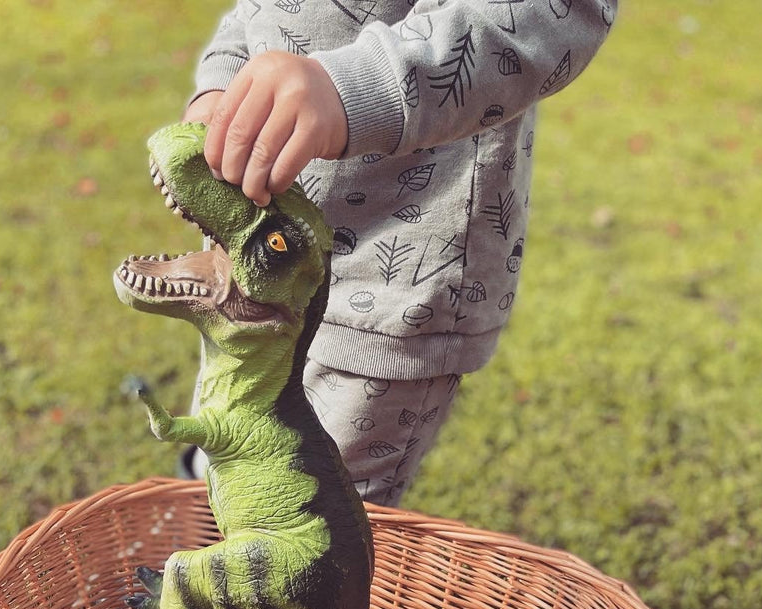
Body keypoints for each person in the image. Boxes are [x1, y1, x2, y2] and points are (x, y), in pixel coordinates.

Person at [182, 0, 617, 506]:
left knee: (303, 518)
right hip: (257, 267)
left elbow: (553, 11)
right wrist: (224, 81)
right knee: (219, 462)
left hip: (390, 292)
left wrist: (355, 87)